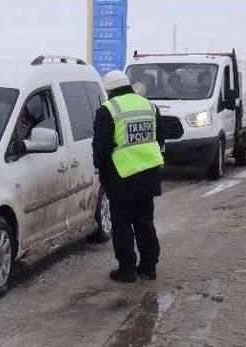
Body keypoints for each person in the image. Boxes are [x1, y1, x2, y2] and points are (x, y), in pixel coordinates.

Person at [92, 70, 166, 283]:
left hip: (121, 177)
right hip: (148, 175)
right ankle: (149, 267)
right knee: (145, 221)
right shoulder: (148, 106)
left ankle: (126, 270)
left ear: (110, 90)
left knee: (122, 223)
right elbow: (160, 137)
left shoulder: (108, 110)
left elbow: (102, 147)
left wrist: (100, 168)